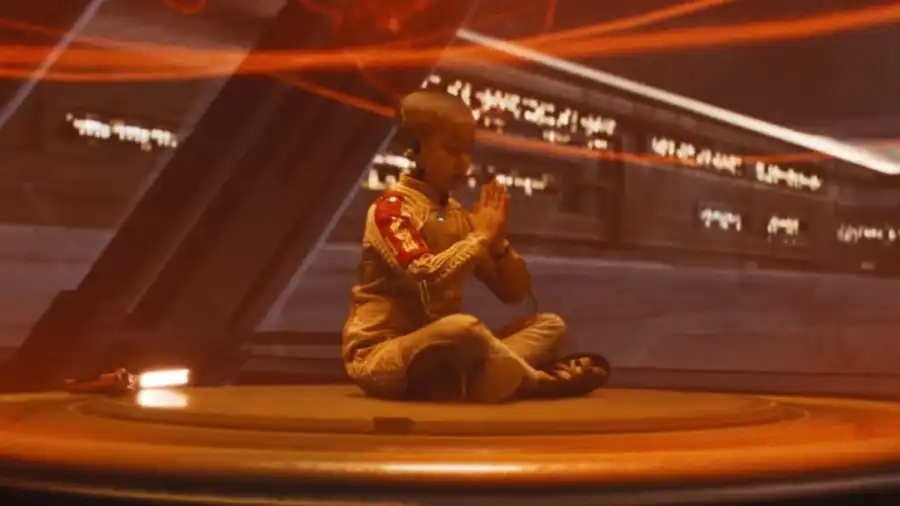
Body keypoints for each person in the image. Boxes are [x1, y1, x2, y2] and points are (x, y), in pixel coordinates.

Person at [341, 89, 609, 403]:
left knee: (550, 325)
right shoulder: (391, 210)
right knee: (463, 328)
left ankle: (476, 381)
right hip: (384, 356)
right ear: (413, 149)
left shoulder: (456, 215)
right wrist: (480, 237)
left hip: (449, 353)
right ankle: (537, 381)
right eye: (452, 150)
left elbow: (514, 293)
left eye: (468, 151)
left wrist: (497, 242)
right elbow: (425, 277)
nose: (464, 163)